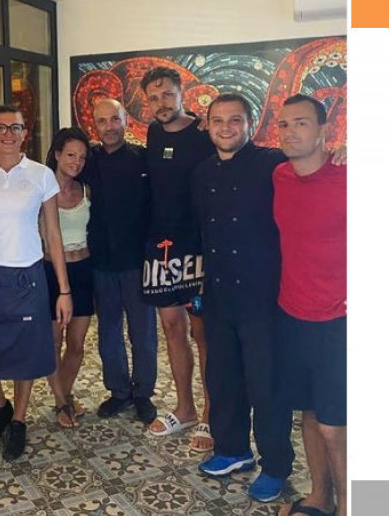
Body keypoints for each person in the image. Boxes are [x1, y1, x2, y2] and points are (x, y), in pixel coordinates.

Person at [191, 92, 295, 502]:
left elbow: (312, 167)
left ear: (251, 124)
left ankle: (276, 465)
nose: (226, 127)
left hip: (263, 296)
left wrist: (340, 154)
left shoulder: (274, 164)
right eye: (218, 120)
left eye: (235, 120)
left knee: (265, 384)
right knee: (223, 377)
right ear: (208, 125)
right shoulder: (202, 173)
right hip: (219, 294)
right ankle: (233, 449)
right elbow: (202, 232)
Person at [0, 105, 73, 461]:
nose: (8, 134)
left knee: (26, 350)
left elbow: (53, 235)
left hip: (27, 275)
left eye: (15, 128)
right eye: (0, 128)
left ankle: (19, 419)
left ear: (25, 133)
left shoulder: (41, 176)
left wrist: (64, 290)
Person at [273, 95, 347, 516]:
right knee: (310, 413)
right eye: (283, 124)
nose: (290, 132)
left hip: (338, 320)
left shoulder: (348, 176)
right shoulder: (280, 175)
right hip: (292, 314)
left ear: (324, 130)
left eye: (301, 123)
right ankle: (320, 496)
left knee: (336, 426)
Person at [140, 66, 215, 453]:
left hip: (199, 248)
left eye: (167, 94)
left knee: (204, 334)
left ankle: (210, 414)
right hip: (162, 246)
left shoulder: (204, 133)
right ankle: (184, 407)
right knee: (172, 328)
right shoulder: (153, 134)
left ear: (182, 94)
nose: (161, 103)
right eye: (154, 98)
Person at [83, 99, 158, 424]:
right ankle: (118, 391)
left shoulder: (142, 158)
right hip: (101, 260)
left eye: (114, 119)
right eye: (102, 121)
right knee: (109, 332)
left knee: (144, 333)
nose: (109, 126)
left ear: (125, 120)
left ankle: (143, 393)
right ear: (95, 126)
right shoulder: (89, 161)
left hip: (137, 260)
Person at [42, 127, 94, 427]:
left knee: (76, 343)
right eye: (71, 154)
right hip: (50, 272)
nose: (77, 162)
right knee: (53, 342)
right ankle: (62, 401)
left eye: (82, 157)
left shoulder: (86, 190)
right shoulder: (41, 190)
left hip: (83, 269)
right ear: (58, 154)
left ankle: (63, 393)